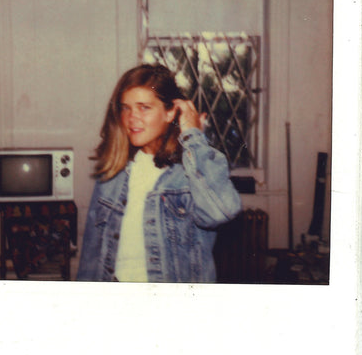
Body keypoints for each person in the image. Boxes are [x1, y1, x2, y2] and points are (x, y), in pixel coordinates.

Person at [76, 63, 241, 283]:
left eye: (144, 107)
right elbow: (92, 252)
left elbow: (221, 211)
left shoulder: (192, 169)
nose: (132, 118)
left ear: (170, 112)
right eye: (126, 108)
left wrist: (192, 136)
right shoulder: (114, 169)